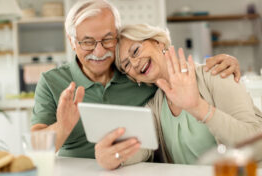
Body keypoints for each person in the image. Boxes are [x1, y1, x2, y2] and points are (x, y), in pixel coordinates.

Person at [31, 0, 241, 167]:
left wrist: (219, 62)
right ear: (71, 41)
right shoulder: (51, 82)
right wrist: (63, 126)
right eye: (87, 42)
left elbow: (174, 72)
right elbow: (35, 150)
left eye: (107, 39)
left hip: (140, 173)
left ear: (117, 35)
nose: (99, 51)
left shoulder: (136, 74)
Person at [95, 23, 262, 168]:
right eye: (126, 66)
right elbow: (140, 148)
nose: (135, 63)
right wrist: (114, 157)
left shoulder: (216, 74)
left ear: (158, 42)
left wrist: (199, 108)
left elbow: (256, 145)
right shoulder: (155, 107)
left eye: (136, 51)